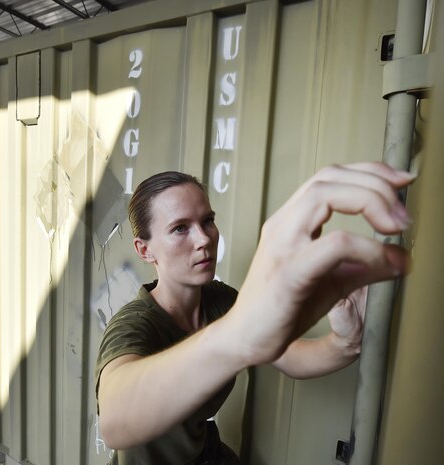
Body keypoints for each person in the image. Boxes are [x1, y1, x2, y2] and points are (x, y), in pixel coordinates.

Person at [95, 162, 413, 464]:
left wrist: (346, 341)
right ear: (144, 249)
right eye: (180, 229)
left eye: (207, 220)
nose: (204, 239)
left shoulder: (222, 301)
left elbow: (291, 357)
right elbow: (115, 421)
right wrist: (237, 334)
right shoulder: (134, 324)